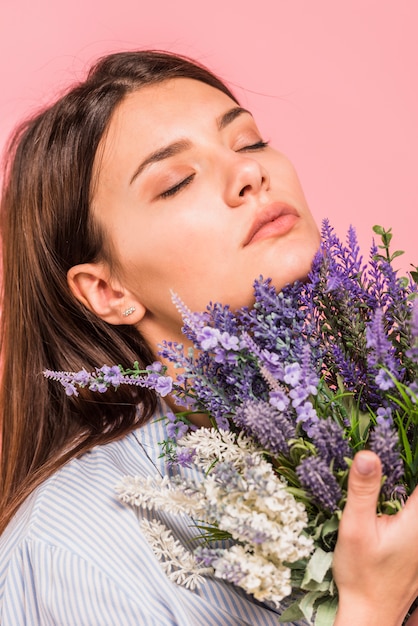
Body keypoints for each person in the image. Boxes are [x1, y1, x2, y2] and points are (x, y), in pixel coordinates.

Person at [0, 49, 417, 625]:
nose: (250, 173)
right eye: (175, 183)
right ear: (107, 290)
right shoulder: (76, 552)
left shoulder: (373, 421)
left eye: (249, 142)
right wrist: (373, 607)